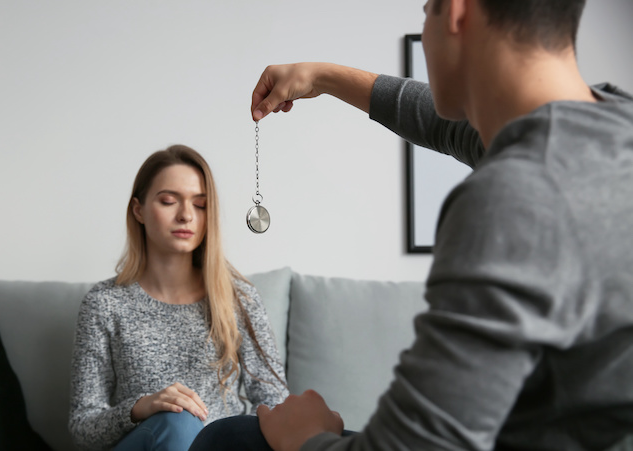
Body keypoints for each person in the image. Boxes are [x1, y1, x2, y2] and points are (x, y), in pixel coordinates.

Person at [188, 0, 633, 450]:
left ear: (457, 12)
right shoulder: (612, 127)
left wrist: (306, 438)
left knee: (228, 440)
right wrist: (320, 76)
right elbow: (440, 123)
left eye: (426, 11)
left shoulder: (517, 196)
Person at [68, 145, 289, 451]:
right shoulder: (105, 303)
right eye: (169, 201)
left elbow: (275, 403)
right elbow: (82, 426)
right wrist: (141, 407)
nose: (186, 215)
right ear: (139, 210)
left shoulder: (238, 299)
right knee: (179, 421)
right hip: (143, 443)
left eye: (200, 205)